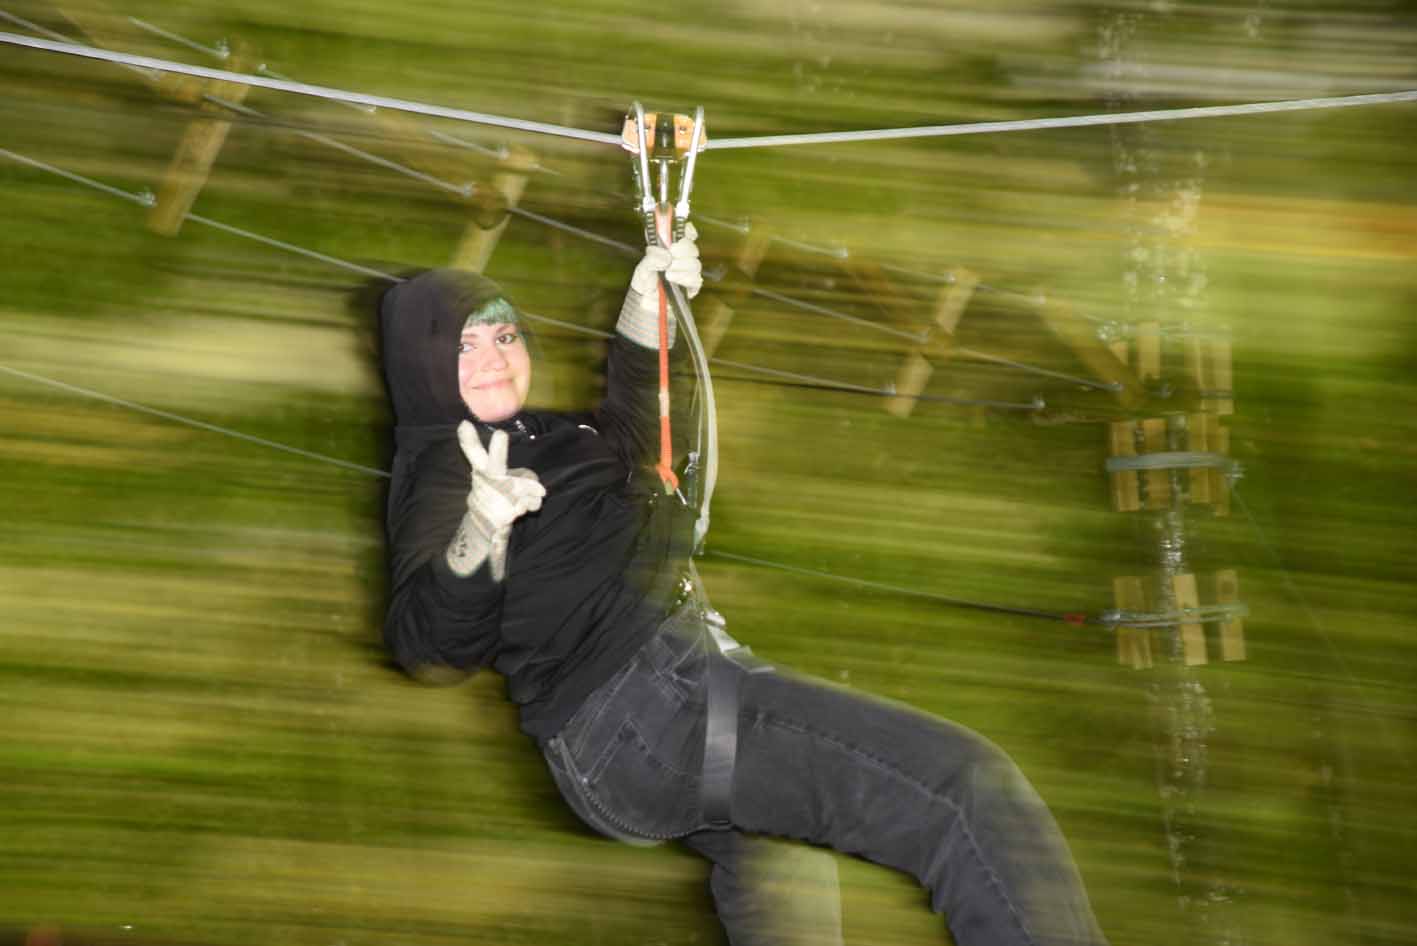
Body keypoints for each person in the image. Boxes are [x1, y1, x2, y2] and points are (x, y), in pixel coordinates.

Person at [376, 233, 1109, 946]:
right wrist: (483, 529)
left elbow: (636, 434)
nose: (494, 360)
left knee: (786, 875)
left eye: (505, 336)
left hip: (654, 714)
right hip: (646, 712)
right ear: (422, 365)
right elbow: (428, 639)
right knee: (963, 789)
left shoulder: (545, 434)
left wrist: (646, 304)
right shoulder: (444, 470)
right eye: (464, 346)